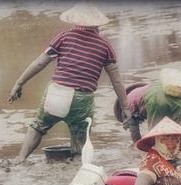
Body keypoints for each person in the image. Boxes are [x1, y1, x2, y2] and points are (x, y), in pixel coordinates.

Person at [8, 3, 131, 162]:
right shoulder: (105, 46)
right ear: (97, 24)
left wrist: (19, 82)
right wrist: (125, 107)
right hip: (82, 100)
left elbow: (40, 63)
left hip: (57, 93)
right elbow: (117, 80)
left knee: (38, 127)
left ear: (74, 22)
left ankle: (20, 159)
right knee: (80, 142)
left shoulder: (63, 37)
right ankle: (76, 166)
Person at [114, 74, 181, 143]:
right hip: (179, 93)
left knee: (159, 137)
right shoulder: (147, 89)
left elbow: (134, 132)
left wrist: (137, 145)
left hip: (156, 99)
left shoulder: (126, 106)